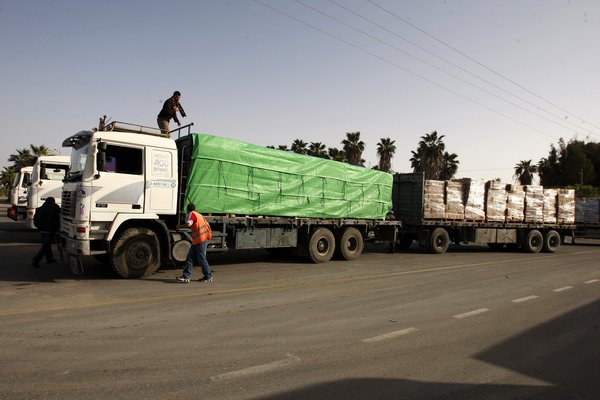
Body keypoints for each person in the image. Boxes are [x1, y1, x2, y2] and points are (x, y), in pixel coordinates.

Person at [176, 203, 213, 283]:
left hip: (200, 240)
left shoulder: (192, 214)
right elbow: (208, 226)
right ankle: (186, 276)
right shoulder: (199, 215)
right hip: (200, 239)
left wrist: (180, 226)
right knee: (190, 257)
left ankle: (208, 276)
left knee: (201, 258)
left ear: (188, 209)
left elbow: (189, 224)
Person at [32, 197, 61, 267]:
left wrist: (38, 227)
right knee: (45, 246)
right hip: (50, 230)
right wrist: (57, 229)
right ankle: (35, 260)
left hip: (41, 230)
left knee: (47, 245)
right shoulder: (55, 208)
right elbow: (57, 220)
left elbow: (35, 219)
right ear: (53, 201)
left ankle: (49, 259)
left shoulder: (40, 208)